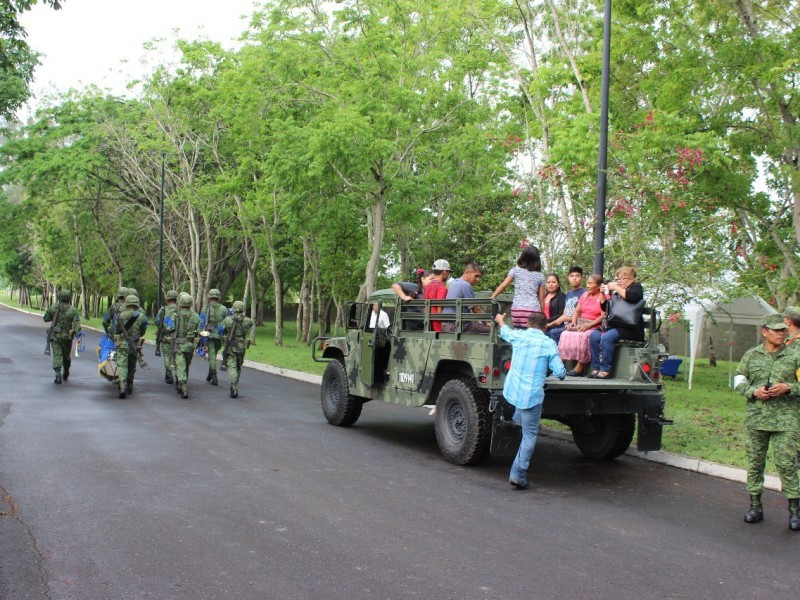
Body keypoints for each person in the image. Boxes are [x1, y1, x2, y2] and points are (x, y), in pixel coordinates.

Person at [734, 314, 800, 531]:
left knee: (787, 465)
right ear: (764, 331)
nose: (781, 333)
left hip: (786, 421)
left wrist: (788, 387)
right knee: (755, 464)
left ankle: (794, 512)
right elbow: (738, 381)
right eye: (776, 330)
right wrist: (754, 391)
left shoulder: (795, 356)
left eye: (783, 330)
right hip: (757, 420)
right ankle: (755, 506)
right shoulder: (751, 356)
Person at [494, 311, 566, 490]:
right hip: (531, 396)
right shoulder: (548, 343)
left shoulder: (519, 336)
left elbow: (505, 332)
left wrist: (500, 320)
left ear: (528, 323)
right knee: (530, 436)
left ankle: (516, 421)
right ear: (545, 326)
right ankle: (518, 475)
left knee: (520, 412)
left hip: (513, 391)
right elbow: (560, 372)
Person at [589, 266, 644, 379]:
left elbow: (632, 297)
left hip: (631, 328)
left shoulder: (636, 288)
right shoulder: (616, 293)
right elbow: (606, 308)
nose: (620, 281)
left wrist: (615, 287)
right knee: (594, 335)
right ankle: (596, 367)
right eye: (618, 278)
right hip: (615, 326)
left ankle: (605, 369)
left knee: (607, 337)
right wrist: (603, 294)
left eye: (623, 278)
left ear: (631, 278)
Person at [557, 274, 605, 376]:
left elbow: (602, 316)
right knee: (565, 334)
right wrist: (573, 323)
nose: (587, 285)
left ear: (598, 286)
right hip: (580, 322)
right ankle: (560, 365)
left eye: (590, 283)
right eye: (587, 283)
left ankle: (579, 367)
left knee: (583, 336)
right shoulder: (585, 295)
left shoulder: (603, 296)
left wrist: (589, 325)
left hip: (594, 325)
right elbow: (576, 311)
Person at [491, 244, 546, 328]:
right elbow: (541, 298)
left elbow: (503, 285)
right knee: (531, 337)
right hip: (533, 311)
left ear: (523, 257)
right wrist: (542, 314)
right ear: (537, 260)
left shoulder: (515, 271)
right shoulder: (540, 276)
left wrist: (493, 296)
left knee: (518, 334)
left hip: (517, 309)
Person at [166, 292, 201, 399]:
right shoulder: (196, 316)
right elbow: (199, 331)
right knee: (186, 365)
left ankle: (183, 386)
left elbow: (168, 328)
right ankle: (182, 383)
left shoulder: (175, 315)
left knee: (180, 365)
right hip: (190, 345)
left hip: (178, 345)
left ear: (180, 303)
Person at [113, 294, 148, 398]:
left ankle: (122, 385)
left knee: (122, 365)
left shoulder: (120, 316)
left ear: (126, 304)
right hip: (135, 345)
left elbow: (116, 330)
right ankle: (130, 384)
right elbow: (143, 331)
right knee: (132, 366)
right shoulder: (142, 317)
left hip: (122, 344)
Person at [43, 290, 81, 384]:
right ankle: (66, 370)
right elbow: (77, 324)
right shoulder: (73, 310)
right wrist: (77, 335)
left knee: (57, 355)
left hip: (55, 336)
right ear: (69, 298)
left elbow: (46, 318)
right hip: (67, 337)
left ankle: (57, 374)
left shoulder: (53, 307)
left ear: (59, 297)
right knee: (66, 356)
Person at [220, 300, 255, 398]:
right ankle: (235, 384)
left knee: (232, 367)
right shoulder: (248, 321)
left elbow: (220, 330)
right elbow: (252, 325)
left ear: (234, 309)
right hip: (241, 348)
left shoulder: (227, 320)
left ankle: (234, 386)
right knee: (239, 366)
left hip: (231, 346)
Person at [443, 262, 490, 333]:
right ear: (467, 272)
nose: (478, 279)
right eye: (476, 276)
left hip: (445, 325)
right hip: (457, 326)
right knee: (492, 330)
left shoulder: (454, 282)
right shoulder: (466, 285)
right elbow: (476, 310)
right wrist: (486, 323)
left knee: (475, 324)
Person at [546, 266, 585, 343]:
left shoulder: (585, 293)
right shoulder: (568, 294)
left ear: (582, 278)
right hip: (565, 325)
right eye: (571, 276)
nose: (574, 278)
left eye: (577, 276)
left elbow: (583, 315)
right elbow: (564, 314)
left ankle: (556, 354)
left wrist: (565, 319)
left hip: (577, 324)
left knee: (553, 332)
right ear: (568, 278)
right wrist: (549, 324)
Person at [201, 288, 228, 386]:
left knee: (212, 356)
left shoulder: (205, 308)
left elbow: (202, 322)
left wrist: (201, 335)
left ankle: (214, 375)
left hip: (210, 335)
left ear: (209, 297)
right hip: (220, 336)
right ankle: (210, 374)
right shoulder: (224, 309)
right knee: (214, 354)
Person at [155, 290, 179, 384]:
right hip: (177, 338)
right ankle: (178, 375)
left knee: (166, 356)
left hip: (165, 337)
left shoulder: (163, 309)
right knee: (177, 356)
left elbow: (157, 321)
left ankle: (169, 375)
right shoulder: (179, 309)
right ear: (176, 299)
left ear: (167, 299)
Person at [424, 259, 451, 332]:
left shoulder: (428, 286)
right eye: (448, 272)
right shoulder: (442, 288)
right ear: (444, 272)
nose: (448, 275)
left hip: (427, 322)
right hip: (437, 325)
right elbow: (440, 310)